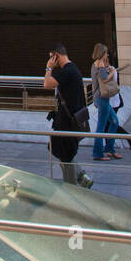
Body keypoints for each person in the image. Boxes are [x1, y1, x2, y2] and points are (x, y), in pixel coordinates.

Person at [43, 43, 92, 188]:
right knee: (62, 150)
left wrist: (48, 68)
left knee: (64, 153)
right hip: (71, 119)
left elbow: (46, 84)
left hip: (66, 121)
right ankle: (82, 176)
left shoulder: (66, 71)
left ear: (56, 56)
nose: (51, 61)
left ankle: (72, 186)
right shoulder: (73, 68)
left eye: (51, 58)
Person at [89, 43, 122, 161]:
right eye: (106, 52)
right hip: (102, 98)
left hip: (101, 98)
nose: (107, 54)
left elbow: (98, 80)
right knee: (102, 125)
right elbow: (105, 79)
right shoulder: (100, 64)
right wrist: (112, 72)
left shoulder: (95, 65)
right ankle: (98, 153)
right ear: (102, 53)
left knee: (114, 122)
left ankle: (109, 149)